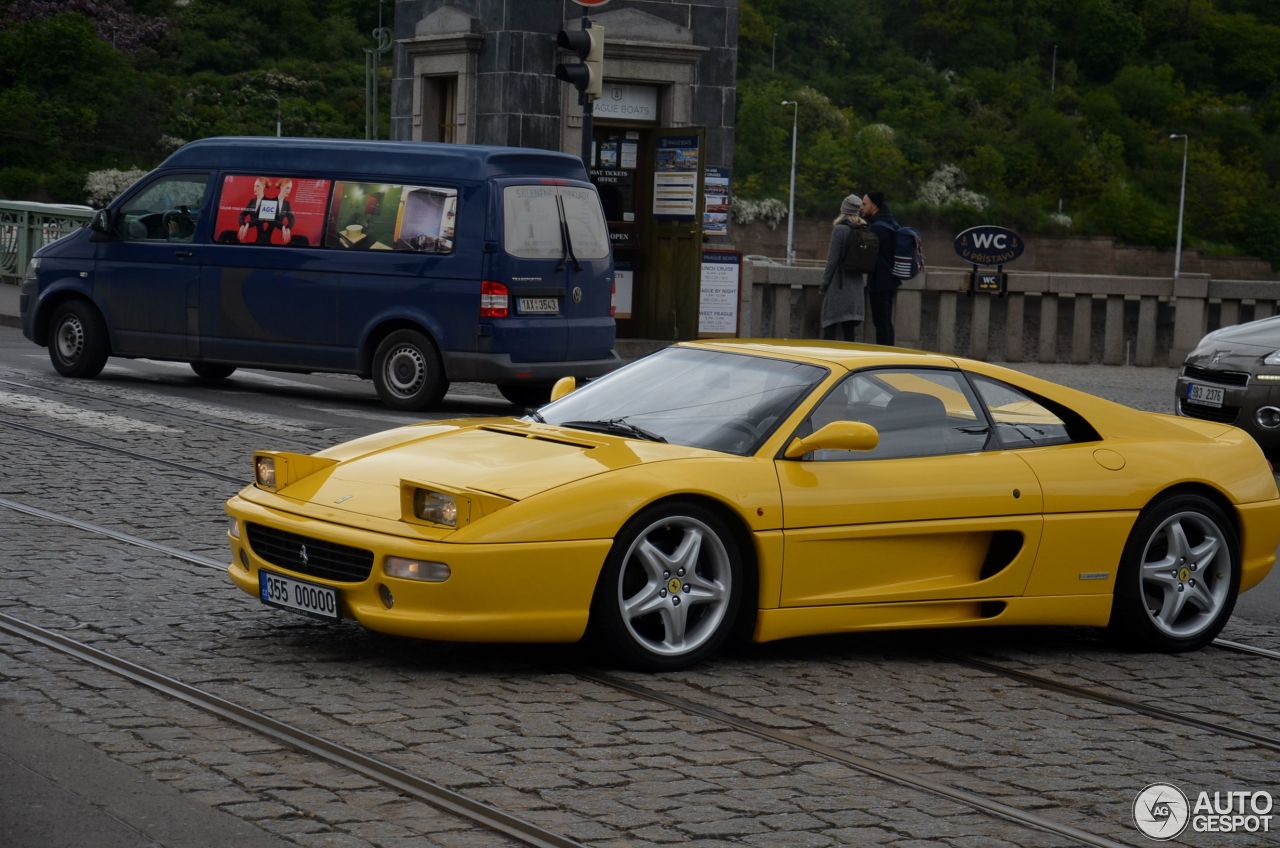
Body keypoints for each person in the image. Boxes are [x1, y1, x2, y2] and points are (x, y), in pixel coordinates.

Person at [819, 193, 867, 341]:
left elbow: (832, 261)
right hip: (857, 287)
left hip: (839, 286)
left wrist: (824, 284)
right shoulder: (864, 228)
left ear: (843, 210)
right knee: (849, 329)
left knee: (830, 326)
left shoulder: (840, 230)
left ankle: (829, 356)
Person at [862, 191, 899, 346]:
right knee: (885, 321)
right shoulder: (889, 223)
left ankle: (885, 353)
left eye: (865, 204)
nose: (862, 208)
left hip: (880, 281)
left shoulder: (878, 228)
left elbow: (869, 254)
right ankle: (888, 351)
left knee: (881, 321)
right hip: (890, 280)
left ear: (874, 205)